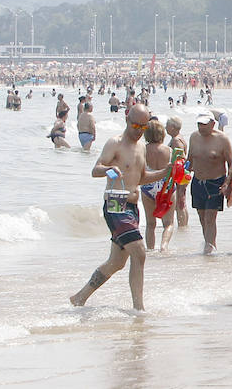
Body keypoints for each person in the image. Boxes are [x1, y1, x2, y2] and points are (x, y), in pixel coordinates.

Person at [69, 106, 170, 310]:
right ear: (127, 119)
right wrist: (108, 169)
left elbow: (141, 178)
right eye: (135, 125)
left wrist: (165, 172)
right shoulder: (114, 143)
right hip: (116, 205)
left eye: (143, 126)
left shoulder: (141, 147)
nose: (139, 130)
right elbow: (95, 170)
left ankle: (79, 297)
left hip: (132, 207)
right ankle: (139, 309)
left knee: (116, 262)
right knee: (140, 253)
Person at [189, 109, 232, 254]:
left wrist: (227, 184)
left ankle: (209, 248)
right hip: (197, 181)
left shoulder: (222, 139)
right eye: (199, 124)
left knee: (210, 217)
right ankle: (208, 245)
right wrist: (179, 172)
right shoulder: (194, 137)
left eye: (204, 124)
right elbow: (190, 160)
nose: (201, 127)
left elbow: (231, 164)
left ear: (213, 124)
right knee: (202, 217)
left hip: (215, 183)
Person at [139, 118, 175, 252]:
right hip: (166, 186)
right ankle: (164, 247)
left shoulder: (142, 150)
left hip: (148, 184)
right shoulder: (169, 150)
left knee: (150, 224)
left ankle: (150, 250)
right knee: (168, 223)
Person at [166, 116, 189, 228]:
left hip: (180, 173)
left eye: (167, 125)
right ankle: (183, 226)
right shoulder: (179, 137)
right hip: (182, 173)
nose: (166, 128)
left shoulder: (176, 140)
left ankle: (182, 226)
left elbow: (182, 158)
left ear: (173, 127)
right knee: (181, 200)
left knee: (180, 201)